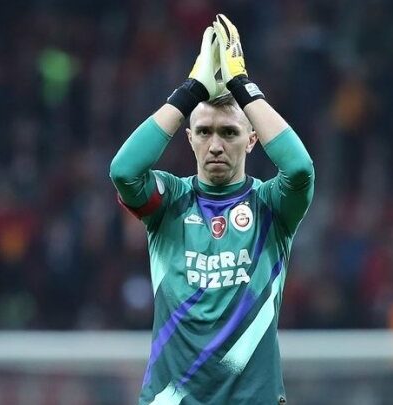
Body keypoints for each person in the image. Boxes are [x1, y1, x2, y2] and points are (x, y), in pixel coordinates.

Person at [110, 14, 314, 405]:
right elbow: (123, 171)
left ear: (252, 139)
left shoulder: (271, 206)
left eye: (229, 132)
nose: (215, 145)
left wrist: (242, 86)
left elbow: (300, 169)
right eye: (204, 131)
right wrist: (191, 91)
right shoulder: (169, 201)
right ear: (189, 138)